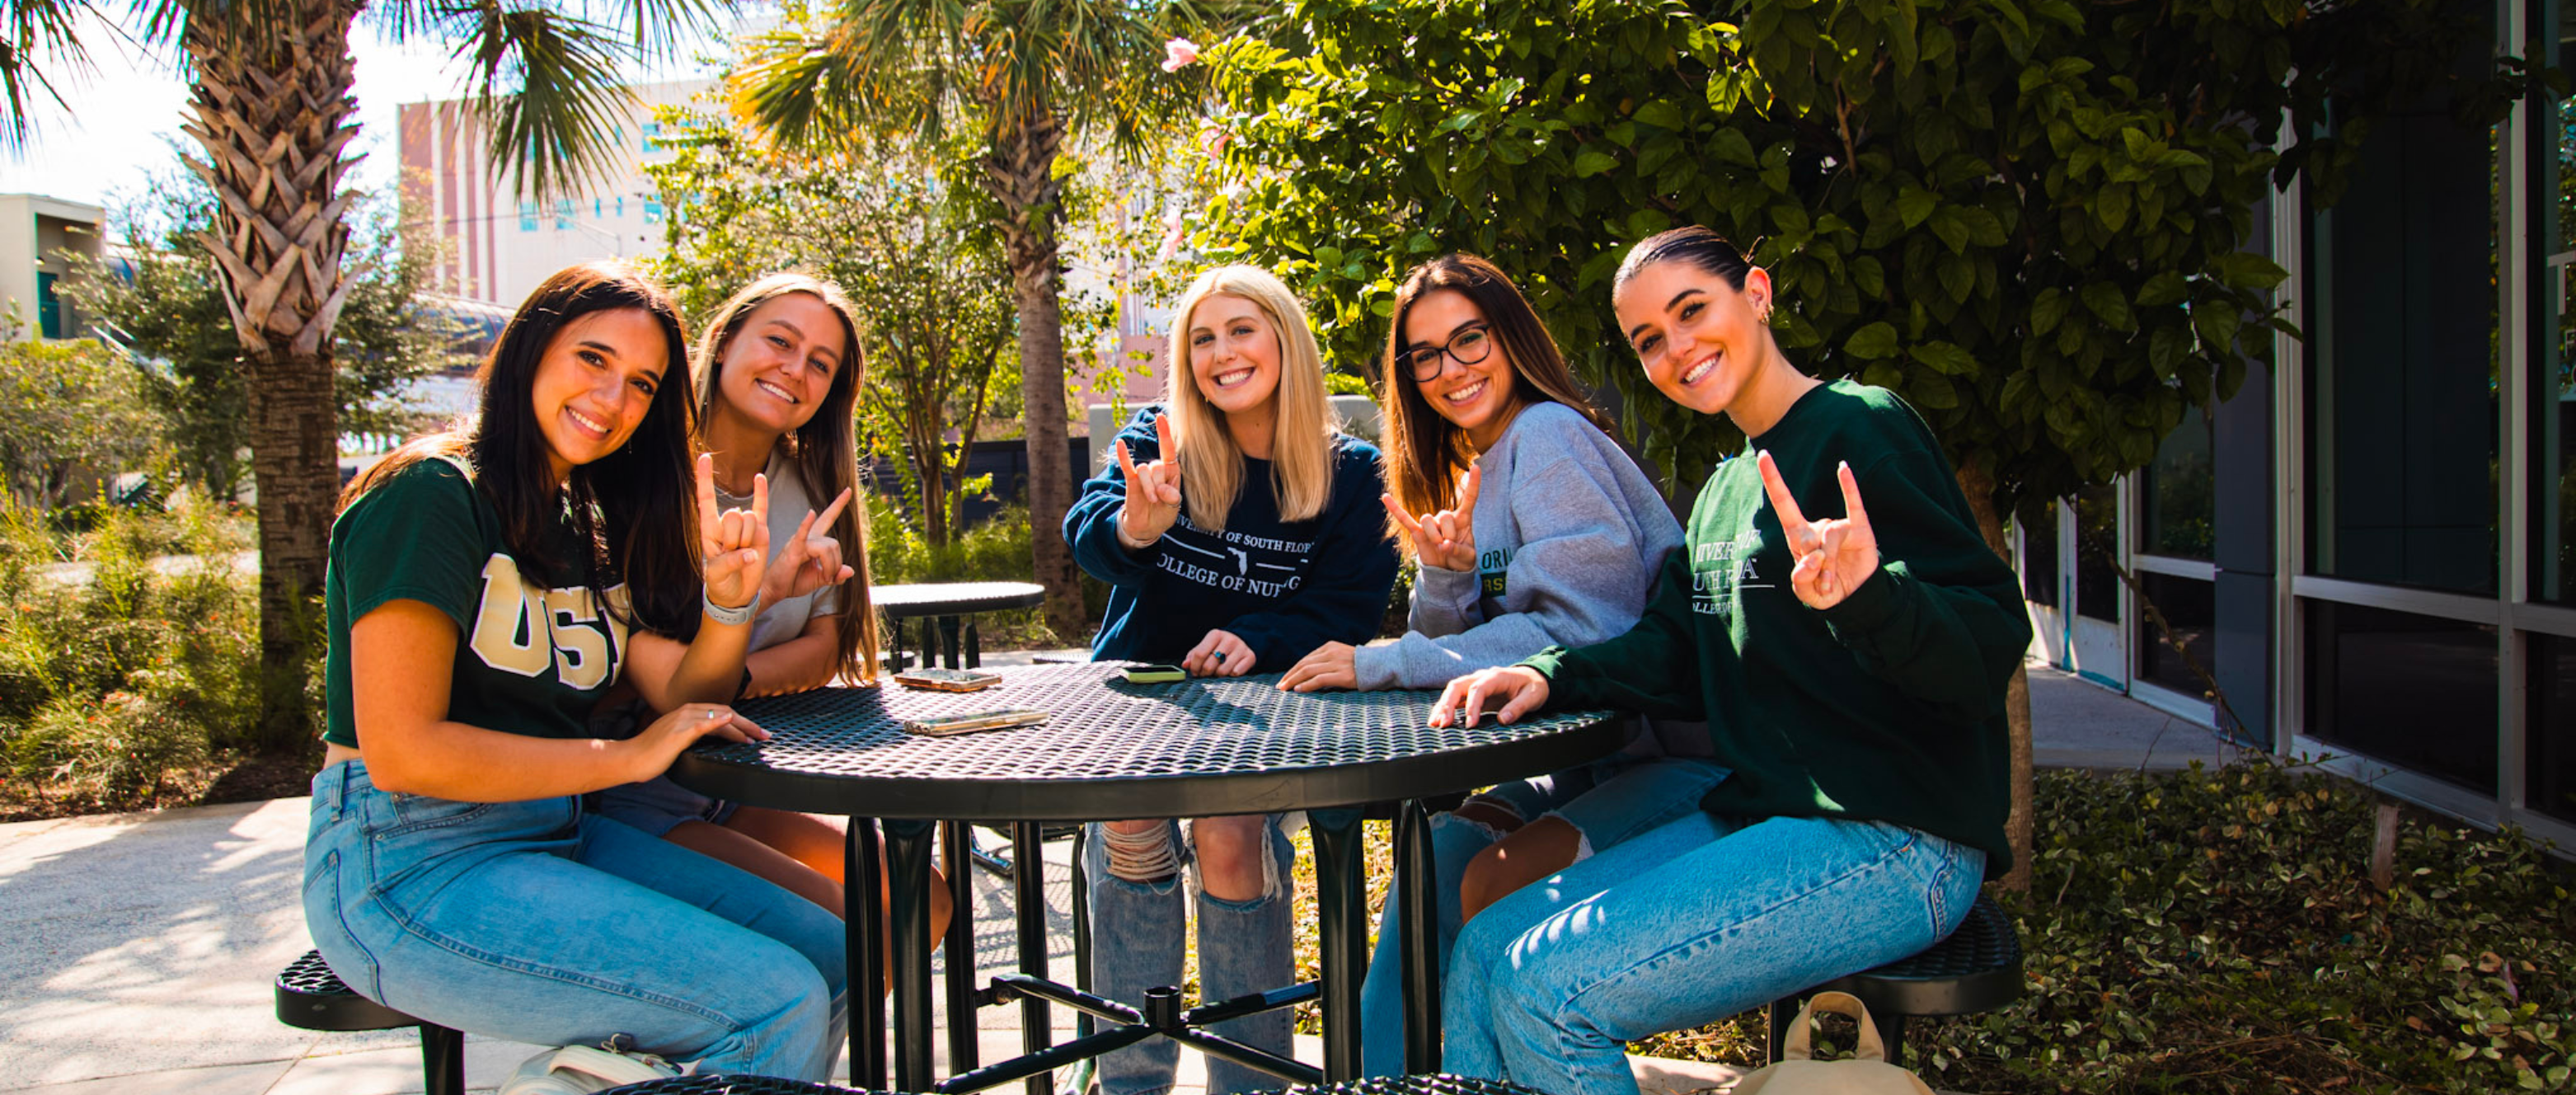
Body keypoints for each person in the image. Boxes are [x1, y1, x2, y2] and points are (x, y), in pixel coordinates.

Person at [1429, 228, 2029, 1095]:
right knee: (1487, 947)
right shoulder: (1721, 491)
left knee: (1544, 992)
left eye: (1690, 311)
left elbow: (1987, 637)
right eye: (1647, 339)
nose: (1675, 348)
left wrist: (1871, 596)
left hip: (1895, 836)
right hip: (1768, 817)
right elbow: (1674, 650)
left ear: (1756, 293)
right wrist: (1549, 673)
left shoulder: (1860, 426)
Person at [302, 262, 846, 1083]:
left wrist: (732, 605)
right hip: (408, 861)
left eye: (642, 384)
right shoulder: (430, 494)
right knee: (773, 1002)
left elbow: (684, 694)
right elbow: (404, 752)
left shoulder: (584, 521)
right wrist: (627, 756)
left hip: (550, 833)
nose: (613, 397)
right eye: (592, 358)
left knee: (834, 955)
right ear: (530, 348)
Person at [1271, 254, 1716, 1076]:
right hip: (1587, 764)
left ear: (1509, 336)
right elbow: (1469, 650)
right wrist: (1446, 577)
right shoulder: (1484, 461)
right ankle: (1385, 1082)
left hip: (1683, 767)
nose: (1450, 368)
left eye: (1468, 338)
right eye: (1425, 355)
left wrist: (1383, 661)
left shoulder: (1546, 436)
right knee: (1437, 855)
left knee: (1488, 879)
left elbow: (1584, 631)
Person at [1063, 264, 1401, 1095]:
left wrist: (1258, 635)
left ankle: (1251, 1081)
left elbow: (1350, 606)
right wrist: (1134, 527)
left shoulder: (1353, 473)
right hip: (1141, 706)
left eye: (1241, 330)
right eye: (1202, 338)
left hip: (1269, 717)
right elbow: (1088, 533)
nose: (1221, 353)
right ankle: (1127, 1081)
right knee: (1130, 828)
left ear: (1285, 340)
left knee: (1227, 833)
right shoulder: (1159, 437)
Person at [589, 271, 950, 942]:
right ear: (725, 341)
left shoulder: (813, 487)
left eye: (820, 364)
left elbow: (825, 647)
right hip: (628, 785)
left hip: (733, 781)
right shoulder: (637, 471)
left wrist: (735, 681)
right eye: (780, 342)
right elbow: (649, 683)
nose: (795, 369)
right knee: (845, 928)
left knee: (918, 898)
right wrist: (755, 610)